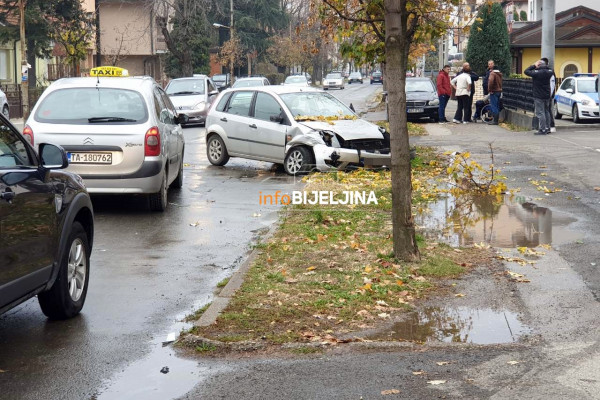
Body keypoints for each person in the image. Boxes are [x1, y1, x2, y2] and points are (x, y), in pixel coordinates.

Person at [524, 59, 555, 135]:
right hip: (547, 95)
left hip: (538, 95)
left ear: (539, 65)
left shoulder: (536, 73)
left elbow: (526, 71)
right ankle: (548, 128)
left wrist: (534, 65)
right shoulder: (550, 72)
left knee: (540, 113)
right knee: (546, 111)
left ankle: (542, 129)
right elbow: (550, 70)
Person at [541, 57, 556, 133]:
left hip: (548, 95)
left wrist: (550, 95)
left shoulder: (550, 72)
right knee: (547, 110)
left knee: (547, 110)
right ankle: (548, 126)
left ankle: (551, 125)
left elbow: (552, 84)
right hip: (546, 94)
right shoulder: (548, 71)